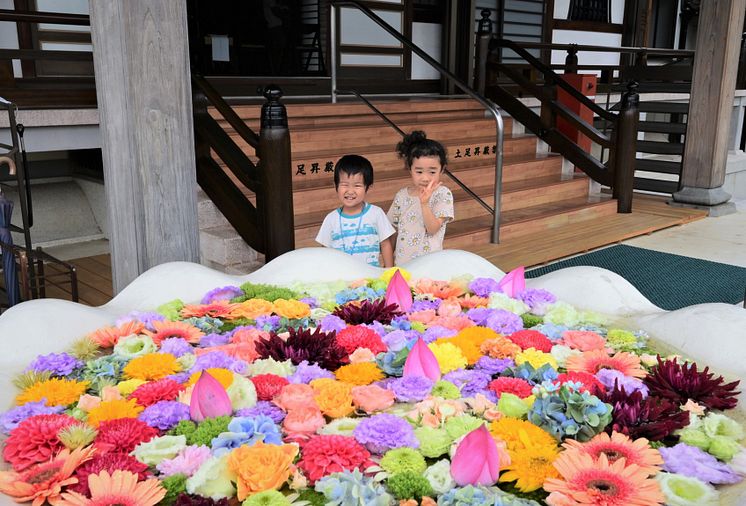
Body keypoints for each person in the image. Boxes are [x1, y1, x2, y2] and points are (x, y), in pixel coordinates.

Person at [387, 131, 454, 265]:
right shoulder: (402, 195)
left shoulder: (442, 194)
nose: (425, 178)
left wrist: (424, 203)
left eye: (432, 172)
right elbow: (392, 231)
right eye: (419, 171)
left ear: (442, 170)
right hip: (402, 263)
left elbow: (433, 229)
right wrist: (388, 263)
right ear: (409, 168)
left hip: (429, 265)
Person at [316, 154, 395, 267]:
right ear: (336, 185)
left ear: (368, 187)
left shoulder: (376, 213)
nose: (350, 191)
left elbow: (385, 244)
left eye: (357, 186)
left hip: (370, 277)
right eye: (344, 185)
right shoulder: (331, 219)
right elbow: (324, 251)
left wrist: (390, 272)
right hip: (341, 279)